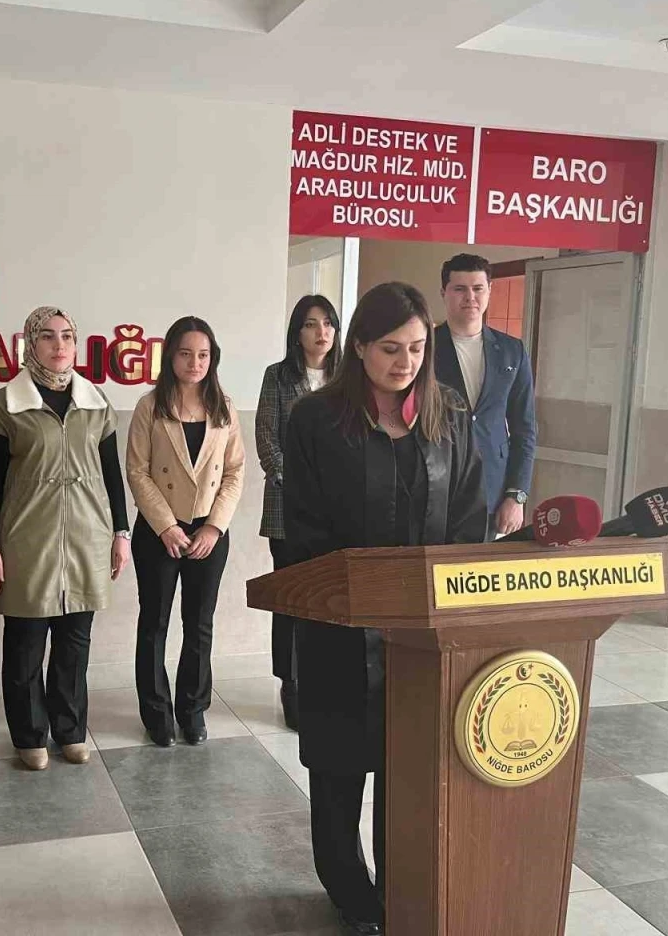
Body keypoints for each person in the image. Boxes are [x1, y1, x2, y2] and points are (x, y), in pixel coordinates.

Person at [283, 282, 487, 936]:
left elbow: (469, 516)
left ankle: (400, 885)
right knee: (340, 768)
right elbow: (303, 525)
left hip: (423, 634)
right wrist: (359, 589)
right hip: (341, 626)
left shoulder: (448, 413)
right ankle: (348, 889)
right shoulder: (317, 419)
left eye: (418, 348)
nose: (406, 362)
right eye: (391, 349)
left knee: (410, 771)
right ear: (360, 347)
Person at [0, 307, 131, 770]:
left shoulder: (95, 401)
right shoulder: (8, 404)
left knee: (74, 643)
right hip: (26, 541)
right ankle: (29, 734)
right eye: (47, 336)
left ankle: (70, 729)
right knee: (25, 643)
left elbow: (111, 474)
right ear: (30, 343)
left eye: (67, 336)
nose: (59, 345)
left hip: (87, 537)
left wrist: (121, 532)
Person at [126, 317, 245, 747]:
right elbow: (137, 472)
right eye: (186, 353)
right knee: (154, 622)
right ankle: (156, 713)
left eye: (203, 355)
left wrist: (214, 527)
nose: (195, 362)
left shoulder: (224, 407)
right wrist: (166, 526)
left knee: (199, 624)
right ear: (170, 356)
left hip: (208, 532)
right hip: (159, 531)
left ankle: (192, 710)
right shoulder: (150, 406)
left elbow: (234, 472)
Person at [255, 294, 342, 731]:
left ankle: (322, 684)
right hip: (287, 508)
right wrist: (302, 486)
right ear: (297, 332)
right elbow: (266, 439)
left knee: (327, 601)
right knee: (290, 601)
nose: (321, 332)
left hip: (338, 512)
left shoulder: (348, 377)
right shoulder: (278, 376)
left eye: (328, 323)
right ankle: (290, 686)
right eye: (311, 324)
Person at [433, 253, 537, 537]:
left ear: (489, 290)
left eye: (478, 288)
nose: (470, 297)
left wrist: (516, 495)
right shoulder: (424, 348)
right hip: (437, 485)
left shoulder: (512, 350)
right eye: (460, 289)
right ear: (444, 292)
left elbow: (524, 429)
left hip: (493, 490)